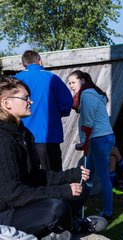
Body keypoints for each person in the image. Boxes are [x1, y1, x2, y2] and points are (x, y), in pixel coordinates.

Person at [0, 76, 96, 239]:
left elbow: (36, 176)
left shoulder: (24, 134)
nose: (30, 102)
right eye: (25, 98)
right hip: (6, 211)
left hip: (22, 203)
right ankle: (72, 227)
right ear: (6, 103)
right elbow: (13, 194)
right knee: (56, 208)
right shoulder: (3, 139)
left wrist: (73, 175)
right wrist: (61, 191)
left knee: (81, 189)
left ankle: (67, 224)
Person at [15, 50, 73, 171]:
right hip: (48, 136)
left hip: (23, 136)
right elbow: (67, 103)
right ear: (40, 61)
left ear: (23, 64)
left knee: (28, 177)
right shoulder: (52, 78)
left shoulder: (16, 80)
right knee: (54, 176)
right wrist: (55, 113)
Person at [68, 70, 115, 220]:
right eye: (69, 83)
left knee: (102, 177)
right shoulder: (92, 93)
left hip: (98, 139)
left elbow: (88, 123)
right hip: (101, 138)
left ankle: (108, 212)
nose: (71, 86)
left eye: (73, 82)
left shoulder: (87, 94)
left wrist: (83, 144)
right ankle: (77, 208)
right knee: (87, 176)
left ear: (82, 80)